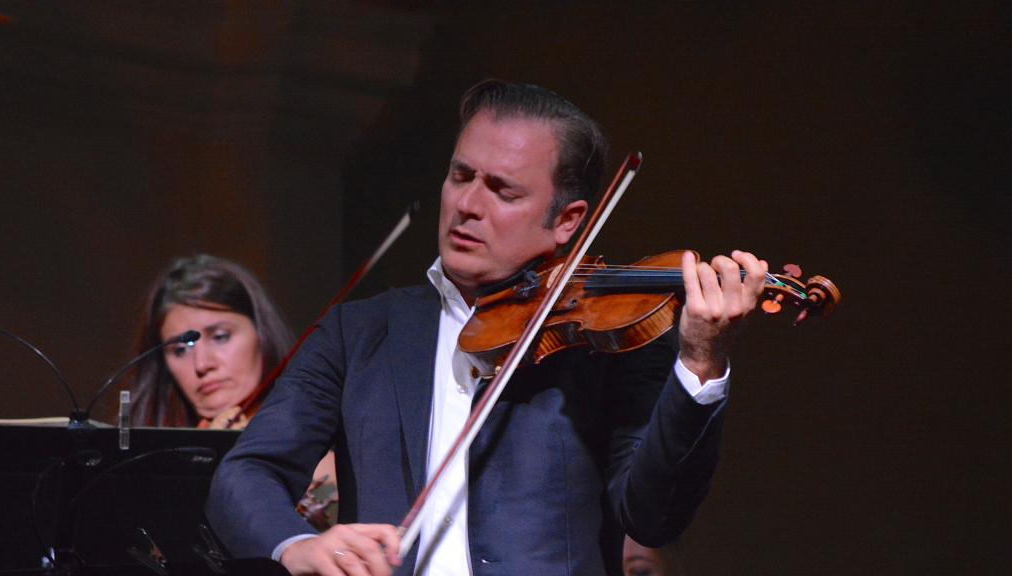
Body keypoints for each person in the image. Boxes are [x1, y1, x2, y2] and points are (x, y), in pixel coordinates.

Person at [207, 79, 768, 575]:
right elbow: (246, 474)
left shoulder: (607, 341)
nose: (468, 205)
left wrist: (699, 362)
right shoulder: (360, 332)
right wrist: (297, 544)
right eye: (461, 175)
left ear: (568, 222)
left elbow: (652, 516)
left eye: (503, 190)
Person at [129, 254, 294, 428]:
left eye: (220, 337)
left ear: (261, 332)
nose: (201, 364)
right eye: (180, 350)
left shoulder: (311, 438)